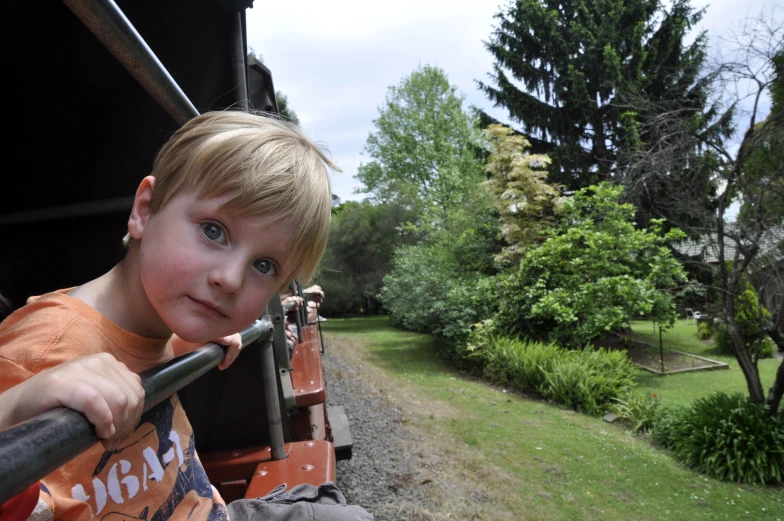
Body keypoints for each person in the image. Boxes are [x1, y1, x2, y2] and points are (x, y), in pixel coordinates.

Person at [0, 110, 335, 520]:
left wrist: (188, 341)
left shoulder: (152, 324)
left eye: (264, 266)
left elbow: (129, 347)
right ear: (144, 209)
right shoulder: (43, 349)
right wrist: (14, 409)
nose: (230, 280)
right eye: (213, 231)